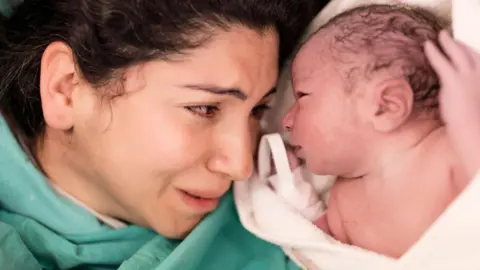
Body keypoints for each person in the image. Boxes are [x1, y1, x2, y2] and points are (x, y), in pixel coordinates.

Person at [0, 0, 318, 269]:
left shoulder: (290, 232)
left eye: (257, 110)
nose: (240, 166)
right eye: (205, 109)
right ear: (66, 88)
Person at [280, 4, 471, 258]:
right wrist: (294, 197)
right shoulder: (341, 200)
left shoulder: (451, 152)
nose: (286, 120)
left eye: (302, 96)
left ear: (386, 105)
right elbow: (321, 255)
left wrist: (468, 118)